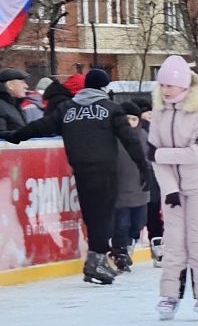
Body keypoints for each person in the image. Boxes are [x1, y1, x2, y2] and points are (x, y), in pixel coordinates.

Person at [6, 67, 146, 286]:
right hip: (105, 171)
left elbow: (39, 126)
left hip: (81, 170)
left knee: (92, 216)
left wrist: (13, 136)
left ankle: (95, 260)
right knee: (104, 217)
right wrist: (143, 166)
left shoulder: (66, 108)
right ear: (103, 87)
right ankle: (96, 262)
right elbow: (131, 140)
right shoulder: (111, 109)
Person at [143, 57, 198, 317]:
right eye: (162, 85)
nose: (166, 90)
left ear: (184, 86)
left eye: (171, 85)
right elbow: (152, 156)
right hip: (173, 189)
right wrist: (169, 189)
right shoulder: (159, 113)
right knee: (174, 242)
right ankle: (169, 296)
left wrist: (161, 155)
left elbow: (197, 153)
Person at [110, 101, 155, 274]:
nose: (130, 123)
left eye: (134, 119)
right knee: (122, 223)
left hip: (140, 187)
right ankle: (121, 252)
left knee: (138, 223)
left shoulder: (143, 136)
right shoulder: (113, 138)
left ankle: (129, 246)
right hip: (120, 188)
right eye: (126, 119)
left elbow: (151, 157)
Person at [0, 68, 32, 133]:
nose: (26, 86)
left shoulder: (16, 105)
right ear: (10, 85)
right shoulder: (1, 107)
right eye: (22, 82)